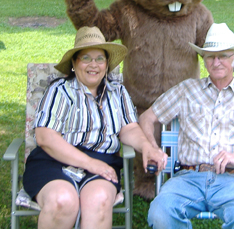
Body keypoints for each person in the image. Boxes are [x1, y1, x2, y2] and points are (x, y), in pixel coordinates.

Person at [139, 23, 234, 229]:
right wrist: (153, 148)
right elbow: (146, 118)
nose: (216, 62)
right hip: (187, 179)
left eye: (223, 55)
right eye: (210, 56)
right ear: (204, 60)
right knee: (160, 214)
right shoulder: (186, 90)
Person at [23, 26, 167, 229]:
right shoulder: (60, 91)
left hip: (103, 163)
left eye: (100, 58)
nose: (94, 64)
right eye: (86, 58)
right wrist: (90, 164)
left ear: (107, 64)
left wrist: (147, 147)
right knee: (62, 201)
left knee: (98, 200)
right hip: (53, 162)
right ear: (74, 63)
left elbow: (129, 129)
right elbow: (46, 138)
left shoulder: (118, 92)